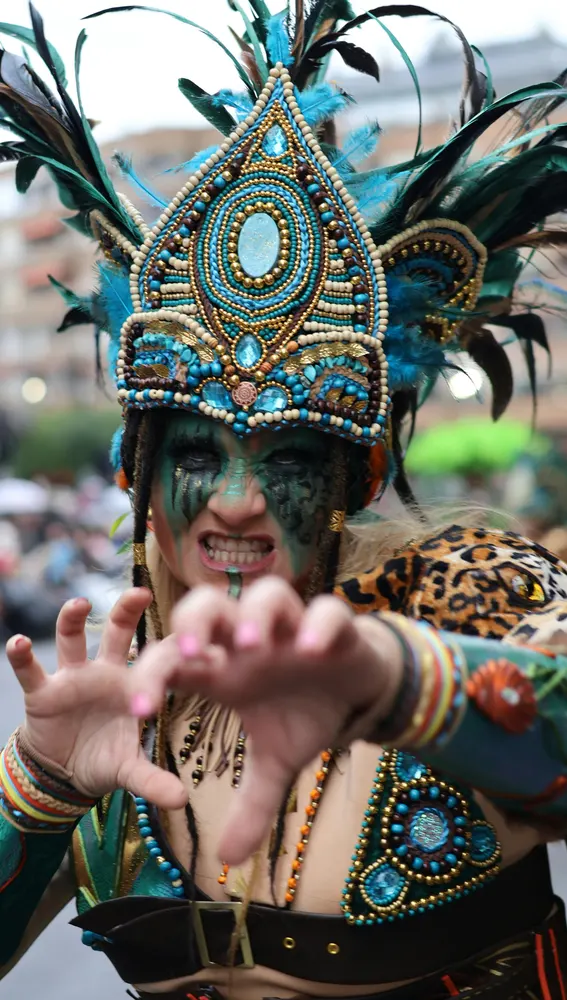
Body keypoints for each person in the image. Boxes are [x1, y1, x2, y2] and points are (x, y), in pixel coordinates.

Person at [2, 4, 567, 998]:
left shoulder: (466, 597)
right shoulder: (119, 700)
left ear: (350, 477)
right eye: (196, 452)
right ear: (136, 473)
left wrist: (399, 681)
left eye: (290, 456)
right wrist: (40, 789)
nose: (235, 502)